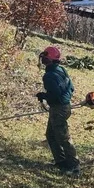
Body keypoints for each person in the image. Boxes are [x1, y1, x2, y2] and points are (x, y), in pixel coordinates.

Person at [37, 46, 79, 175]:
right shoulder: (62, 70)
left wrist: (43, 96)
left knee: (63, 138)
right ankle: (61, 162)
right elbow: (71, 88)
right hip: (64, 107)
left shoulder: (49, 76)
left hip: (58, 109)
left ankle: (73, 166)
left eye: (44, 56)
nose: (42, 59)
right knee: (51, 135)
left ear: (48, 59)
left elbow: (54, 94)